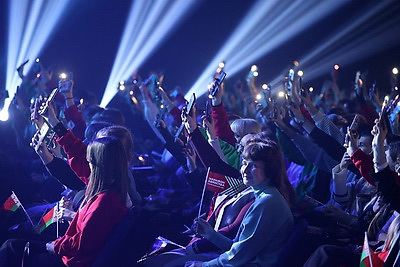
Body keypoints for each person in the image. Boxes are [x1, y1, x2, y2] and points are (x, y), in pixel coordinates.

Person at [0, 136, 129, 266]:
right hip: (68, 250)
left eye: (89, 162)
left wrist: (53, 246)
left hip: (71, 260)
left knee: (11, 247)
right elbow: (77, 156)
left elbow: (79, 245)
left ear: (98, 166)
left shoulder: (104, 201)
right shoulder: (106, 191)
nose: (87, 166)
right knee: (15, 241)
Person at [185, 138, 294, 266]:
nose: (245, 169)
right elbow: (238, 248)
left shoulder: (267, 202)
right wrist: (210, 234)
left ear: (269, 170)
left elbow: (238, 257)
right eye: (244, 163)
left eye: (253, 165)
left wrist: (202, 266)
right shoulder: (266, 197)